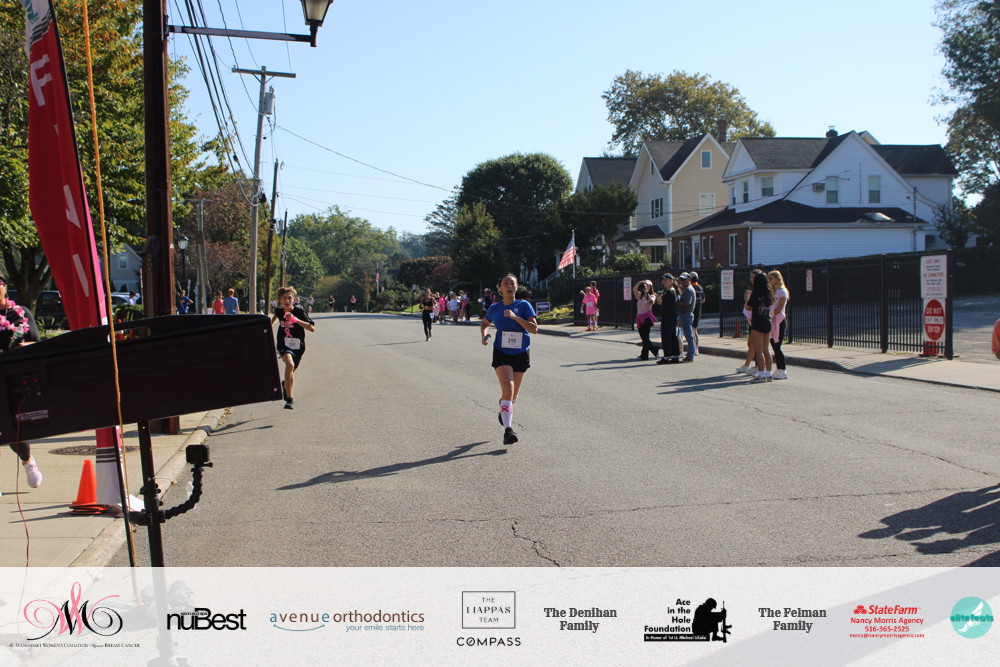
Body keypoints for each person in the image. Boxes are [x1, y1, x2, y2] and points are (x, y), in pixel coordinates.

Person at [481, 274, 538, 446]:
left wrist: (514, 317)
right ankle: (508, 430)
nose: (509, 286)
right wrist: (484, 335)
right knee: (508, 386)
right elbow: (485, 323)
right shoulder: (494, 308)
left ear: (516, 287)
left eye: (512, 283)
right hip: (501, 351)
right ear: (500, 288)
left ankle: (504, 405)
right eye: (505, 283)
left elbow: (534, 329)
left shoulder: (524, 305)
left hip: (521, 351)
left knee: (512, 395)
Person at [0, 274, 43, 489]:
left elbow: (37, 343)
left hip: (13, 379)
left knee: (12, 429)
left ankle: (28, 461)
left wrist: (23, 346)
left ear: (5, 287)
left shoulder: (20, 313)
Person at [271, 286, 316, 409]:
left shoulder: (299, 312)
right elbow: (272, 322)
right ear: (280, 300)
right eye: (284, 298)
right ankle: (289, 400)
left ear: (294, 299)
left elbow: (312, 328)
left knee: (290, 372)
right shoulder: (279, 311)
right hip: (283, 344)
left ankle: (286, 385)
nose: (287, 300)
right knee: (289, 365)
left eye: (289, 298)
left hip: (298, 346)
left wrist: (295, 319)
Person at [747, 272, 774, 383]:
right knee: (766, 350)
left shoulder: (755, 293)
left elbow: (748, 307)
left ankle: (761, 375)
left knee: (759, 350)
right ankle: (769, 374)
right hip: (767, 321)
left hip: (757, 322)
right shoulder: (769, 293)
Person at [735, 270, 763, 374]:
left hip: (758, 319)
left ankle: (758, 367)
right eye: (751, 277)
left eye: (754, 277)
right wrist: (746, 295)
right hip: (751, 318)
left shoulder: (760, 290)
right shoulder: (751, 290)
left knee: (757, 344)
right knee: (750, 343)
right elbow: (746, 304)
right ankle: (747, 365)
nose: (752, 279)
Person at [767, 270, 790, 380]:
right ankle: (779, 369)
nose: (769, 280)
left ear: (777, 279)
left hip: (779, 321)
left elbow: (780, 308)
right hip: (772, 320)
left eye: (770, 278)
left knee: (777, 346)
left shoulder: (782, 291)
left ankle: (783, 370)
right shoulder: (772, 291)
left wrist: (769, 312)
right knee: (773, 345)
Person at [657, 273, 681, 364]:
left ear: (671, 280)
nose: (664, 282)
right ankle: (675, 355)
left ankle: (667, 356)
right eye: (663, 280)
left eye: (666, 280)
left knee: (666, 337)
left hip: (668, 317)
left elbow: (664, 304)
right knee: (672, 336)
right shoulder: (671, 291)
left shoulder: (669, 292)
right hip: (671, 317)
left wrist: (659, 299)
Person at [633, 279, 659, 360]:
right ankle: (654, 350)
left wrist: (646, 293)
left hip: (647, 318)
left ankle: (644, 355)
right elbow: (634, 290)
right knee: (643, 337)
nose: (646, 286)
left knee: (645, 337)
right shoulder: (640, 295)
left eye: (647, 285)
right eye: (645, 285)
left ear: (650, 287)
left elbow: (650, 301)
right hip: (639, 317)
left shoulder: (653, 295)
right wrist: (639, 283)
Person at [676, 273, 696, 362]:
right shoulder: (686, 289)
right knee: (688, 335)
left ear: (689, 279)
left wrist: (677, 302)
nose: (682, 281)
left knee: (689, 336)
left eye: (684, 279)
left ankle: (690, 355)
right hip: (685, 314)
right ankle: (690, 354)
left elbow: (687, 302)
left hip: (686, 314)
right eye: (681, 279)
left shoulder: (688, 289)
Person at [690, 271, 704, 355]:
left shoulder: (690, 288)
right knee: (695, 330)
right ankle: (696, 348)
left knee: (692, 331)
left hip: (691, 312)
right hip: (698, 311)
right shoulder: (700, 288)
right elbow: (703, 299)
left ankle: (694, 348)